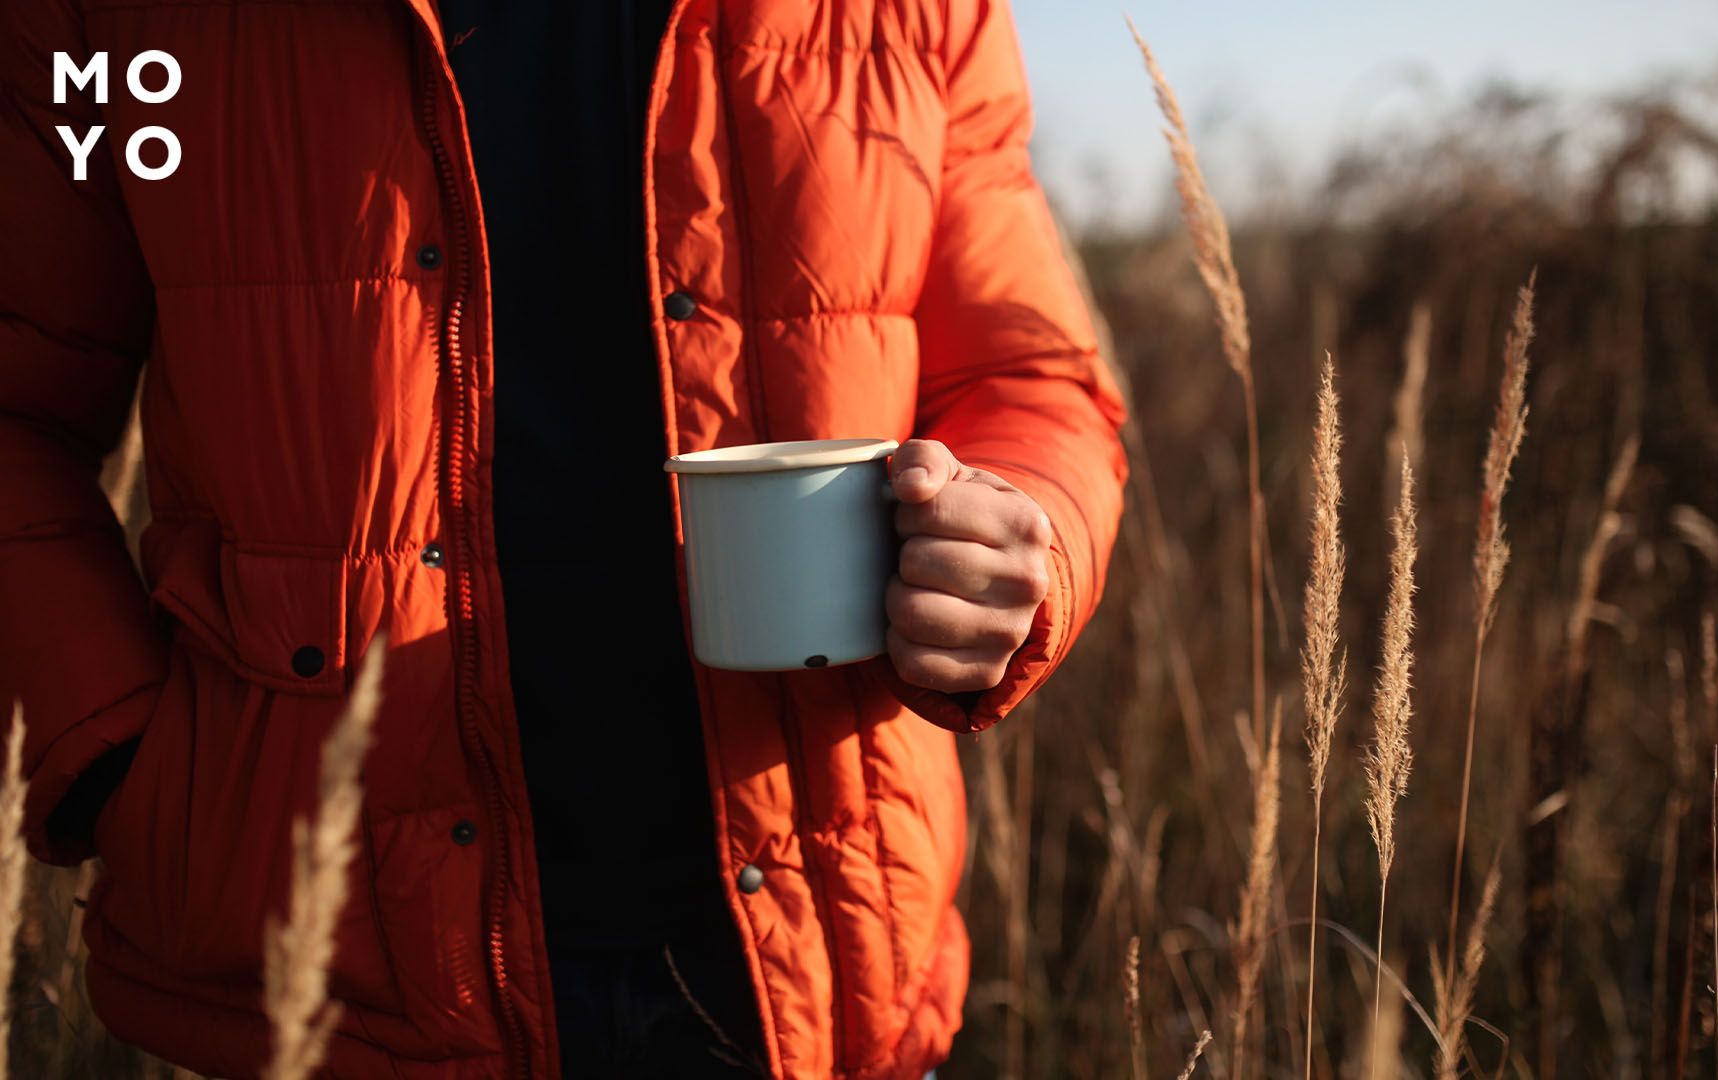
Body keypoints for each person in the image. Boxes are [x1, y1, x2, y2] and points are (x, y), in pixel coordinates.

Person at [0, 0, 1127, 1076]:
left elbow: (1029, 377)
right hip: (329, 980)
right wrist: (121, 757)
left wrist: (1017, 542)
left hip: (819, 954)